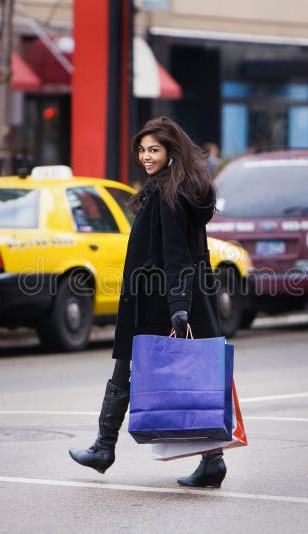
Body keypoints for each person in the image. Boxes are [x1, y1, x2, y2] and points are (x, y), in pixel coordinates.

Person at [68, 116, 226, 488]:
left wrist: (178, 306)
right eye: (142, 150)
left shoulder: (168, 194)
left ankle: (106, 447)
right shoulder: (176, 187)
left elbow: (176, 255)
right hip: (166, 295)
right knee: (169, 373)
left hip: (159, 298)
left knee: (139, 369)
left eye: (154, 149)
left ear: (171, 150)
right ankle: (107, 447)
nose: (145, 156)